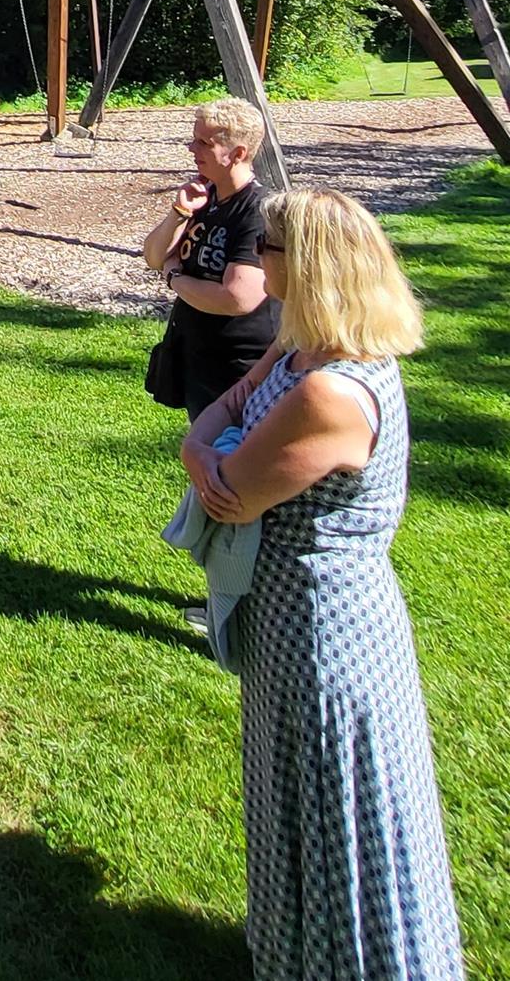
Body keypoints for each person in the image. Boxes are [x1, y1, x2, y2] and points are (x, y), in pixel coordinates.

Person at [180, 188, 463, 981]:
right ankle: (294, 954)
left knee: (339, 803)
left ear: (306, 267)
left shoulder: (328, 392)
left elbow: (233, 480)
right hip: (284, 612)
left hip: (325, 628)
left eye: (268, 248)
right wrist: (202, 449)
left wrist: (206, 455)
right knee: (292, 794)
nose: (256, 257)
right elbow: (213, 425)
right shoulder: (305, 346)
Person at [143, 97, 279, 421]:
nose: (192, 148)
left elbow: (237, 298)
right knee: (205, 457)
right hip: (198, 360)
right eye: (194, 138)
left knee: (228, 463)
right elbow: (153, 256)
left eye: (204, 142)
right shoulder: (205, 195)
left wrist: (175, 278)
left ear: (237, 154)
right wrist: (179, 213)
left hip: (240, 371)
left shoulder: (259, 212)